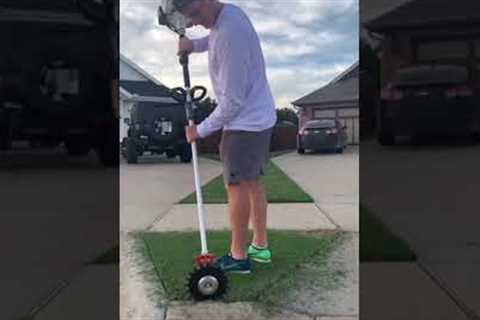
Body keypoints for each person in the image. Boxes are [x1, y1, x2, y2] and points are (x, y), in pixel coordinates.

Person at [173, 0, 276, 274]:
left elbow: (232, 103)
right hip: (259, 116)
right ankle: (260, 246)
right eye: (188, 18)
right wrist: (194, 46)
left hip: (244, 124)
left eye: (195, 13)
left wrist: (200, 130)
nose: (193, 22)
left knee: (237, 185)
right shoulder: (229, 14)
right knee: (252, 181)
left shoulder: (230, 33)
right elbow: (214, 38)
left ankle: (239, 256)